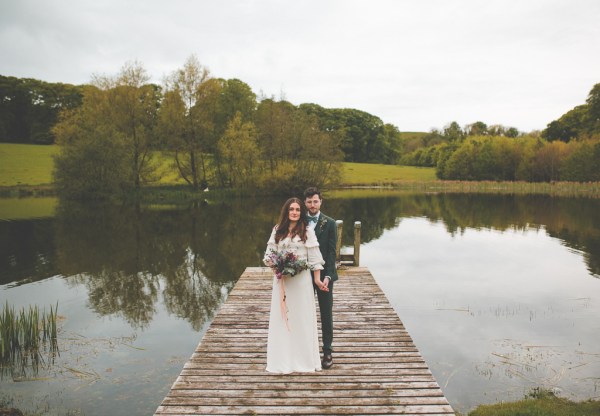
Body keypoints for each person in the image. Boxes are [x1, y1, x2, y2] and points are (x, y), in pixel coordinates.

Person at [263, 197, 329, 373]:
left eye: (298, 209)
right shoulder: (277, 230)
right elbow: (269, 255)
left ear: (301, 212)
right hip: (282, 281)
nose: (294, 212)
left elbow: (315, 259)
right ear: (286, 211)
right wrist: (278, 268)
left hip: (301, 283)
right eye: (291, 209)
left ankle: (304, 360)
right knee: (282, 319)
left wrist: (317, 280)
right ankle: (283, 360)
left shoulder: (307, 231)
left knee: (301, 318)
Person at [303, 187, 338, 369]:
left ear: (320, 201)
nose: (312, 204)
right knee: (303, 313)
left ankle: (327, 351)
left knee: (326, 314)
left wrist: (329, 276)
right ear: (305, 203)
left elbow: (332, 253)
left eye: (315, 201)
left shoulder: (330, 223)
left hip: (324, 277)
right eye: (309, 202)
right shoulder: (299, 221)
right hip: (302, 277)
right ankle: (305, 350)